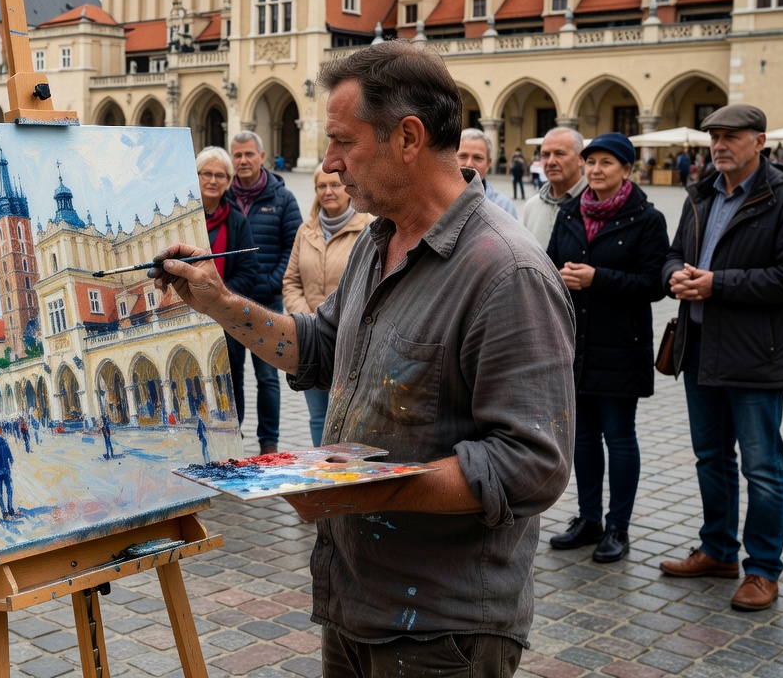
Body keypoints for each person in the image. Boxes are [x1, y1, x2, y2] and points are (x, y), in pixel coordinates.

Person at [152, 41, 575, 678]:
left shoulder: (505, 272)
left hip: (441, 627)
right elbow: (318, 346)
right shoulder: (379, 241)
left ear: (407, 138)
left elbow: (531, 467)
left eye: (343, 142)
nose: (328, 163)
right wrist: (217, 301)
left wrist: (358, 489)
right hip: (354, 598)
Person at [659, 104, 783, 612]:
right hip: (700, 348)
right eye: (714, 137)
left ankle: (762, 569)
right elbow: (673, 253)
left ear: (759, 141)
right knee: (711, 458)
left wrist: (717, 285)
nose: (719, 145)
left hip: (755, 353)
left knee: (762, 468)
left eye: (731, 137)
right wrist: (674, 275)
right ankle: (718, 550)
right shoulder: (700, 194)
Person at [545, 133, 668, 564]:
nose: (596, 170)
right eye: (592, 162)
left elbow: (654, 284)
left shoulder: (647, 219)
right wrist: (560, 276)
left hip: (621, 347)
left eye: (607, 163)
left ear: (627, 170)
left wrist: (597, 278)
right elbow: (549, 263)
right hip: (576, 345)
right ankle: (589, 519)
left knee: (619, 437)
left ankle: (618, 527)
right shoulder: (569, 213)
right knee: (582, 439)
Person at [282, 166, 374, 446]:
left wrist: (339, 320)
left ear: (349, 187)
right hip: (312, 339)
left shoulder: (369, 228)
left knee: (352, 415)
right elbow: (291, 281)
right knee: (318, 417)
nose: (328, 191)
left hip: (350, 338)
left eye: (334, 185)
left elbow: (371, 284)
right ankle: (322, 470)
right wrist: (307, 319)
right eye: (321, 186)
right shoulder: (306, 230)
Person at [227, 131, 302, 454]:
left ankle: (269, 443)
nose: (243, 160)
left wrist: (273, 283)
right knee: (232, 375)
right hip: (230, 302)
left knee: (268, 376)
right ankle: (234, 438)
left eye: (249, 154)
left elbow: (293, 246)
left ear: (262, 156)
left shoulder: (282, 199)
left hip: (268, 302)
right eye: (237, 155)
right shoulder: (224, 197)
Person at [195, 146, 257, 425]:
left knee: (231, 380)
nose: (213, 180)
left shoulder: (237, 222)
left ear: (229, 181)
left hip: (226, 319)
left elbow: (249, 272)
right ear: (196, 175)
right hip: (187, 315)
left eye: (220, 175)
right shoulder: (184, 218)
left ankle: (234, 433)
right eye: (206, 173)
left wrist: (218, 295)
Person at [522, 128, 587, 247]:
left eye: (559, 153)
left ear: (581, 159)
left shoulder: (597, 205)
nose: (551, 162)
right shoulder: (531, 206)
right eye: (545, 155)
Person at [456, 128, 518, 218]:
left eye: (478, 158)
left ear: (488, 163)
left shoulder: (504, 206)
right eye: (463, 156)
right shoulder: (437, 203)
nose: (469, 164)